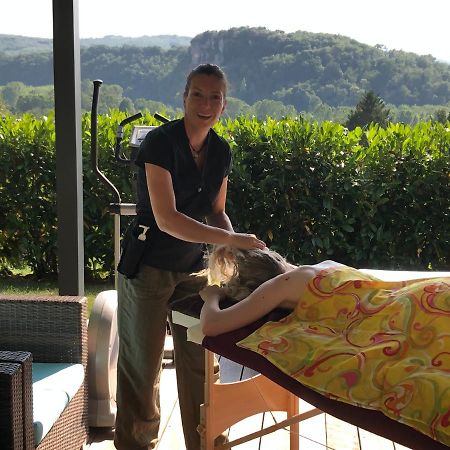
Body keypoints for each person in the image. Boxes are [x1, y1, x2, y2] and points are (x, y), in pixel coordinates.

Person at [114, 64, 266, 450]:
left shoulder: (221, 152)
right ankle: (136, 444)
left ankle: (207, 442)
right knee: (142, 368)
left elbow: (216, 211)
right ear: (184, 98)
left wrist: (232, 242)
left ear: (224, 104)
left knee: (201, 364)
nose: (206, 103)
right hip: (147, 267)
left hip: (194, 270)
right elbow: (167, 219)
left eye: (215, 97)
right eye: (198, 94)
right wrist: (232, 238)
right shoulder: (159, 145)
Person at [199, 245, 450, 336]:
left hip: (402, 313)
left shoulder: (279, 287)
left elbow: (212, 325)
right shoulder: (323, 267)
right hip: (420, 295)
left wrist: (212, 296)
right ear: (274, 256)